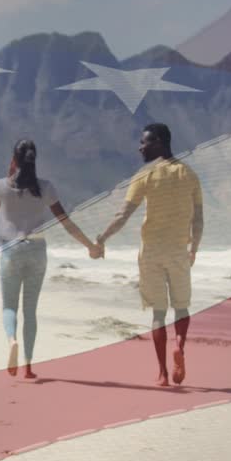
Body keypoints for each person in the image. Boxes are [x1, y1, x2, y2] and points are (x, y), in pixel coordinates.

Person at [94, 123, 204, 387]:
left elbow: (123, 215)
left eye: (145, 142)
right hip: (179, 251)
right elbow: (198, 219)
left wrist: (102, 238)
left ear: (159, 143)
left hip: (151, 252)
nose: (140, 147)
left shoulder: (145, 176)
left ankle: (163, 374)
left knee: (158, 313)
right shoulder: (189, 174)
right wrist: (194, 248)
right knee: (182, 307)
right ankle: (180, 346)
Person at [0, 138, 101, 379]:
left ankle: (12, 341)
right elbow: (65, 222)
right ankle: (28, 366)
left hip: (11, 251)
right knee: (30, 310)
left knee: (10, 306)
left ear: (14, 159)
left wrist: (10, 172)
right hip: (37, 251)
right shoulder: (46, 188)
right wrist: (89, 246)